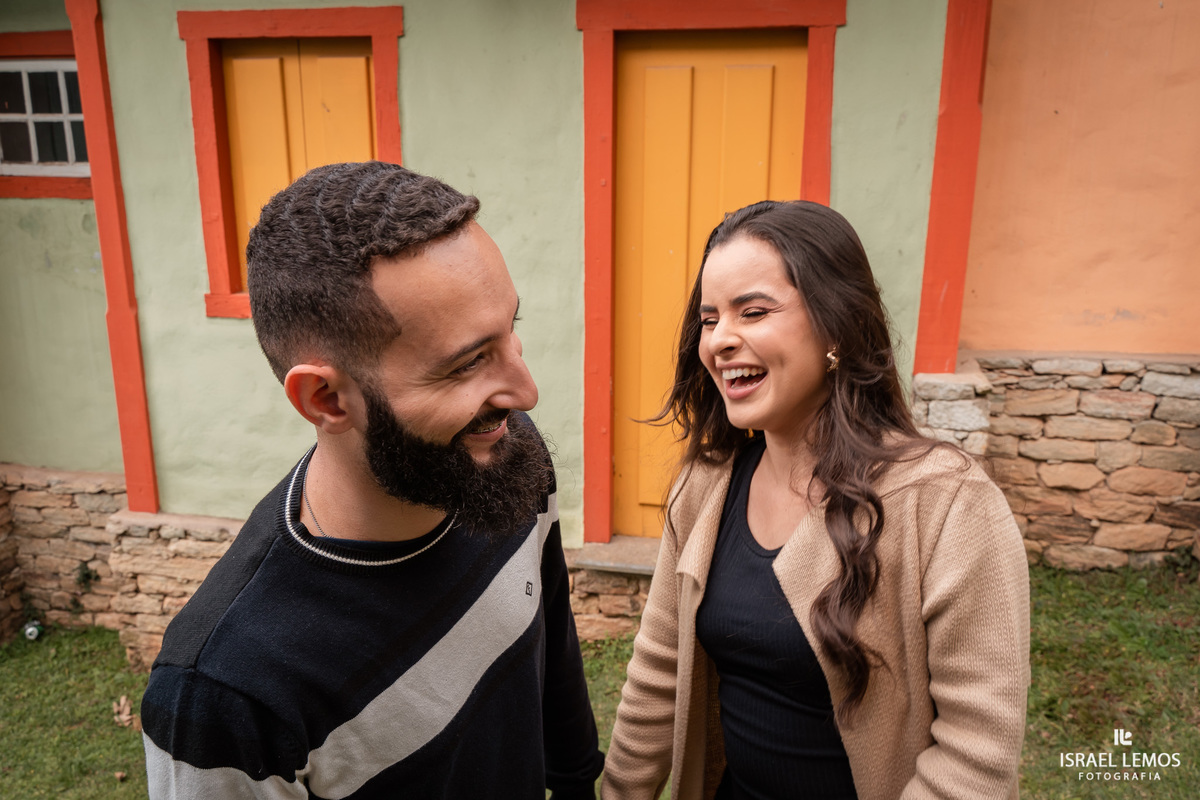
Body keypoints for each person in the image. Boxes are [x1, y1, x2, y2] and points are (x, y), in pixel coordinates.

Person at [141, 162, 605, 799]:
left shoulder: (502, 462)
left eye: (511, 332)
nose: (525, 392)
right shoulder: (226, 698)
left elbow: (551, 655)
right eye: (468, 363)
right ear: (326, 399)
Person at [601, 201, 1029, 800]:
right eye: (709, 318)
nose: (721, 340)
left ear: (837, 326)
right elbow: (656, 675)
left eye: (753, 311)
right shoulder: (705, 486)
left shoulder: (946, 505)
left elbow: (975, 757)